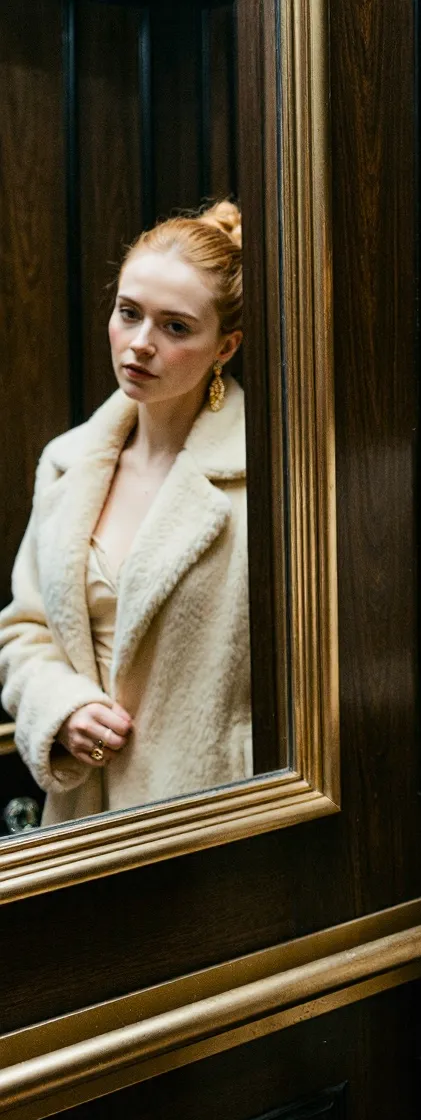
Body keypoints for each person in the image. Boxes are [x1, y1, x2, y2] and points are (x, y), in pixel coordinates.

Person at [0, 201, 252, 826]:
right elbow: (23, 631)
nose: (140, 344)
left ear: (226, 346)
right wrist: (62, 710)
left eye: (175, 327)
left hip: (210, 817)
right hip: (84, 821)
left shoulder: (265, 480)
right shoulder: (67, 464)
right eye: (129, 313)